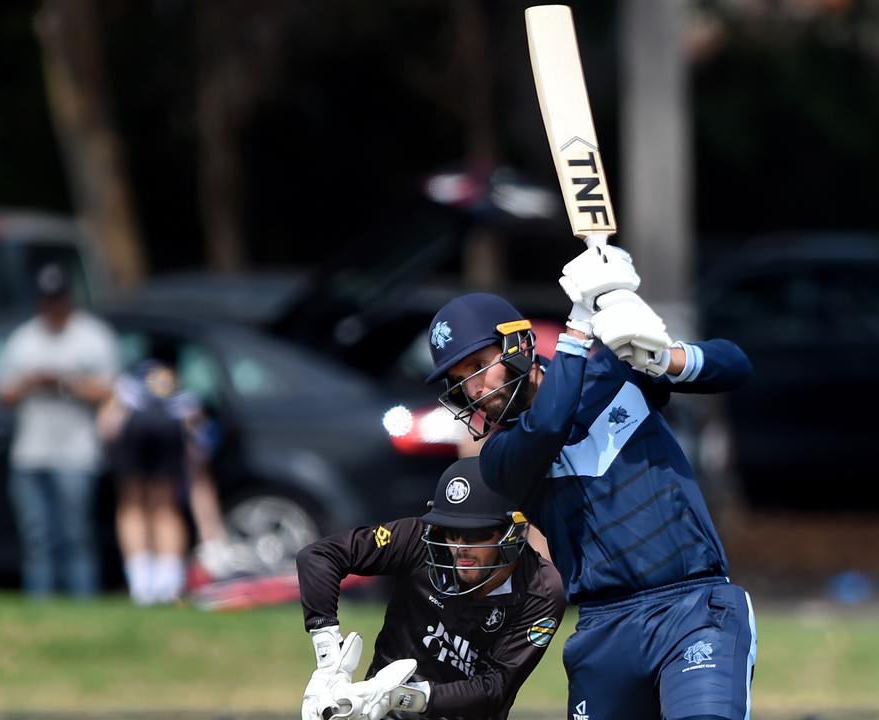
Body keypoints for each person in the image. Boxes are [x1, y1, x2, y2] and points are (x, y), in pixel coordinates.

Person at [425, 245, 757, 720]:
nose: (475, 389)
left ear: (517, 345)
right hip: (604, 632)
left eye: (478, 366)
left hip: (694, 608)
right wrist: (581, 322)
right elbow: (550, 422)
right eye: (461, 380)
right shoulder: (500, 456)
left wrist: (665, 360)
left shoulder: (614, 372)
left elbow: (735, 364)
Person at [296, 456, 566, 720]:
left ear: (513, 534)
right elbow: (319, 556)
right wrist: (328, 662)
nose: (460, 548)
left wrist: (399, 697)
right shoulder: (418, 539)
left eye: (476, 535)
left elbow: (493, 688)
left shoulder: (540, 590)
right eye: (450, 531)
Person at [0, 262, 119, 598]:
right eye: (46, 300)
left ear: (69, 299)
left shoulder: (92, 336)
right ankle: (41, 608)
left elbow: (112, 390)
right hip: (30, 452)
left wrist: (64, 382)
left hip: (76, 453)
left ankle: (83, 604)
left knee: (76, 535)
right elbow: (1, 393)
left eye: (57, 299)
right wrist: (30, 382)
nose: (51, 307)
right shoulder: (25, 337)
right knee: (37, 538)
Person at [98, 353, 202, 604]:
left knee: (131, 505)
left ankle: (141, 585)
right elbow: (195, 425)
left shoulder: (129, 380)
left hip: (134, 428)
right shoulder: (180, 384)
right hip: (170, 430)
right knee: (166, 507)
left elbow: (107, 424)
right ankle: (168, 584)